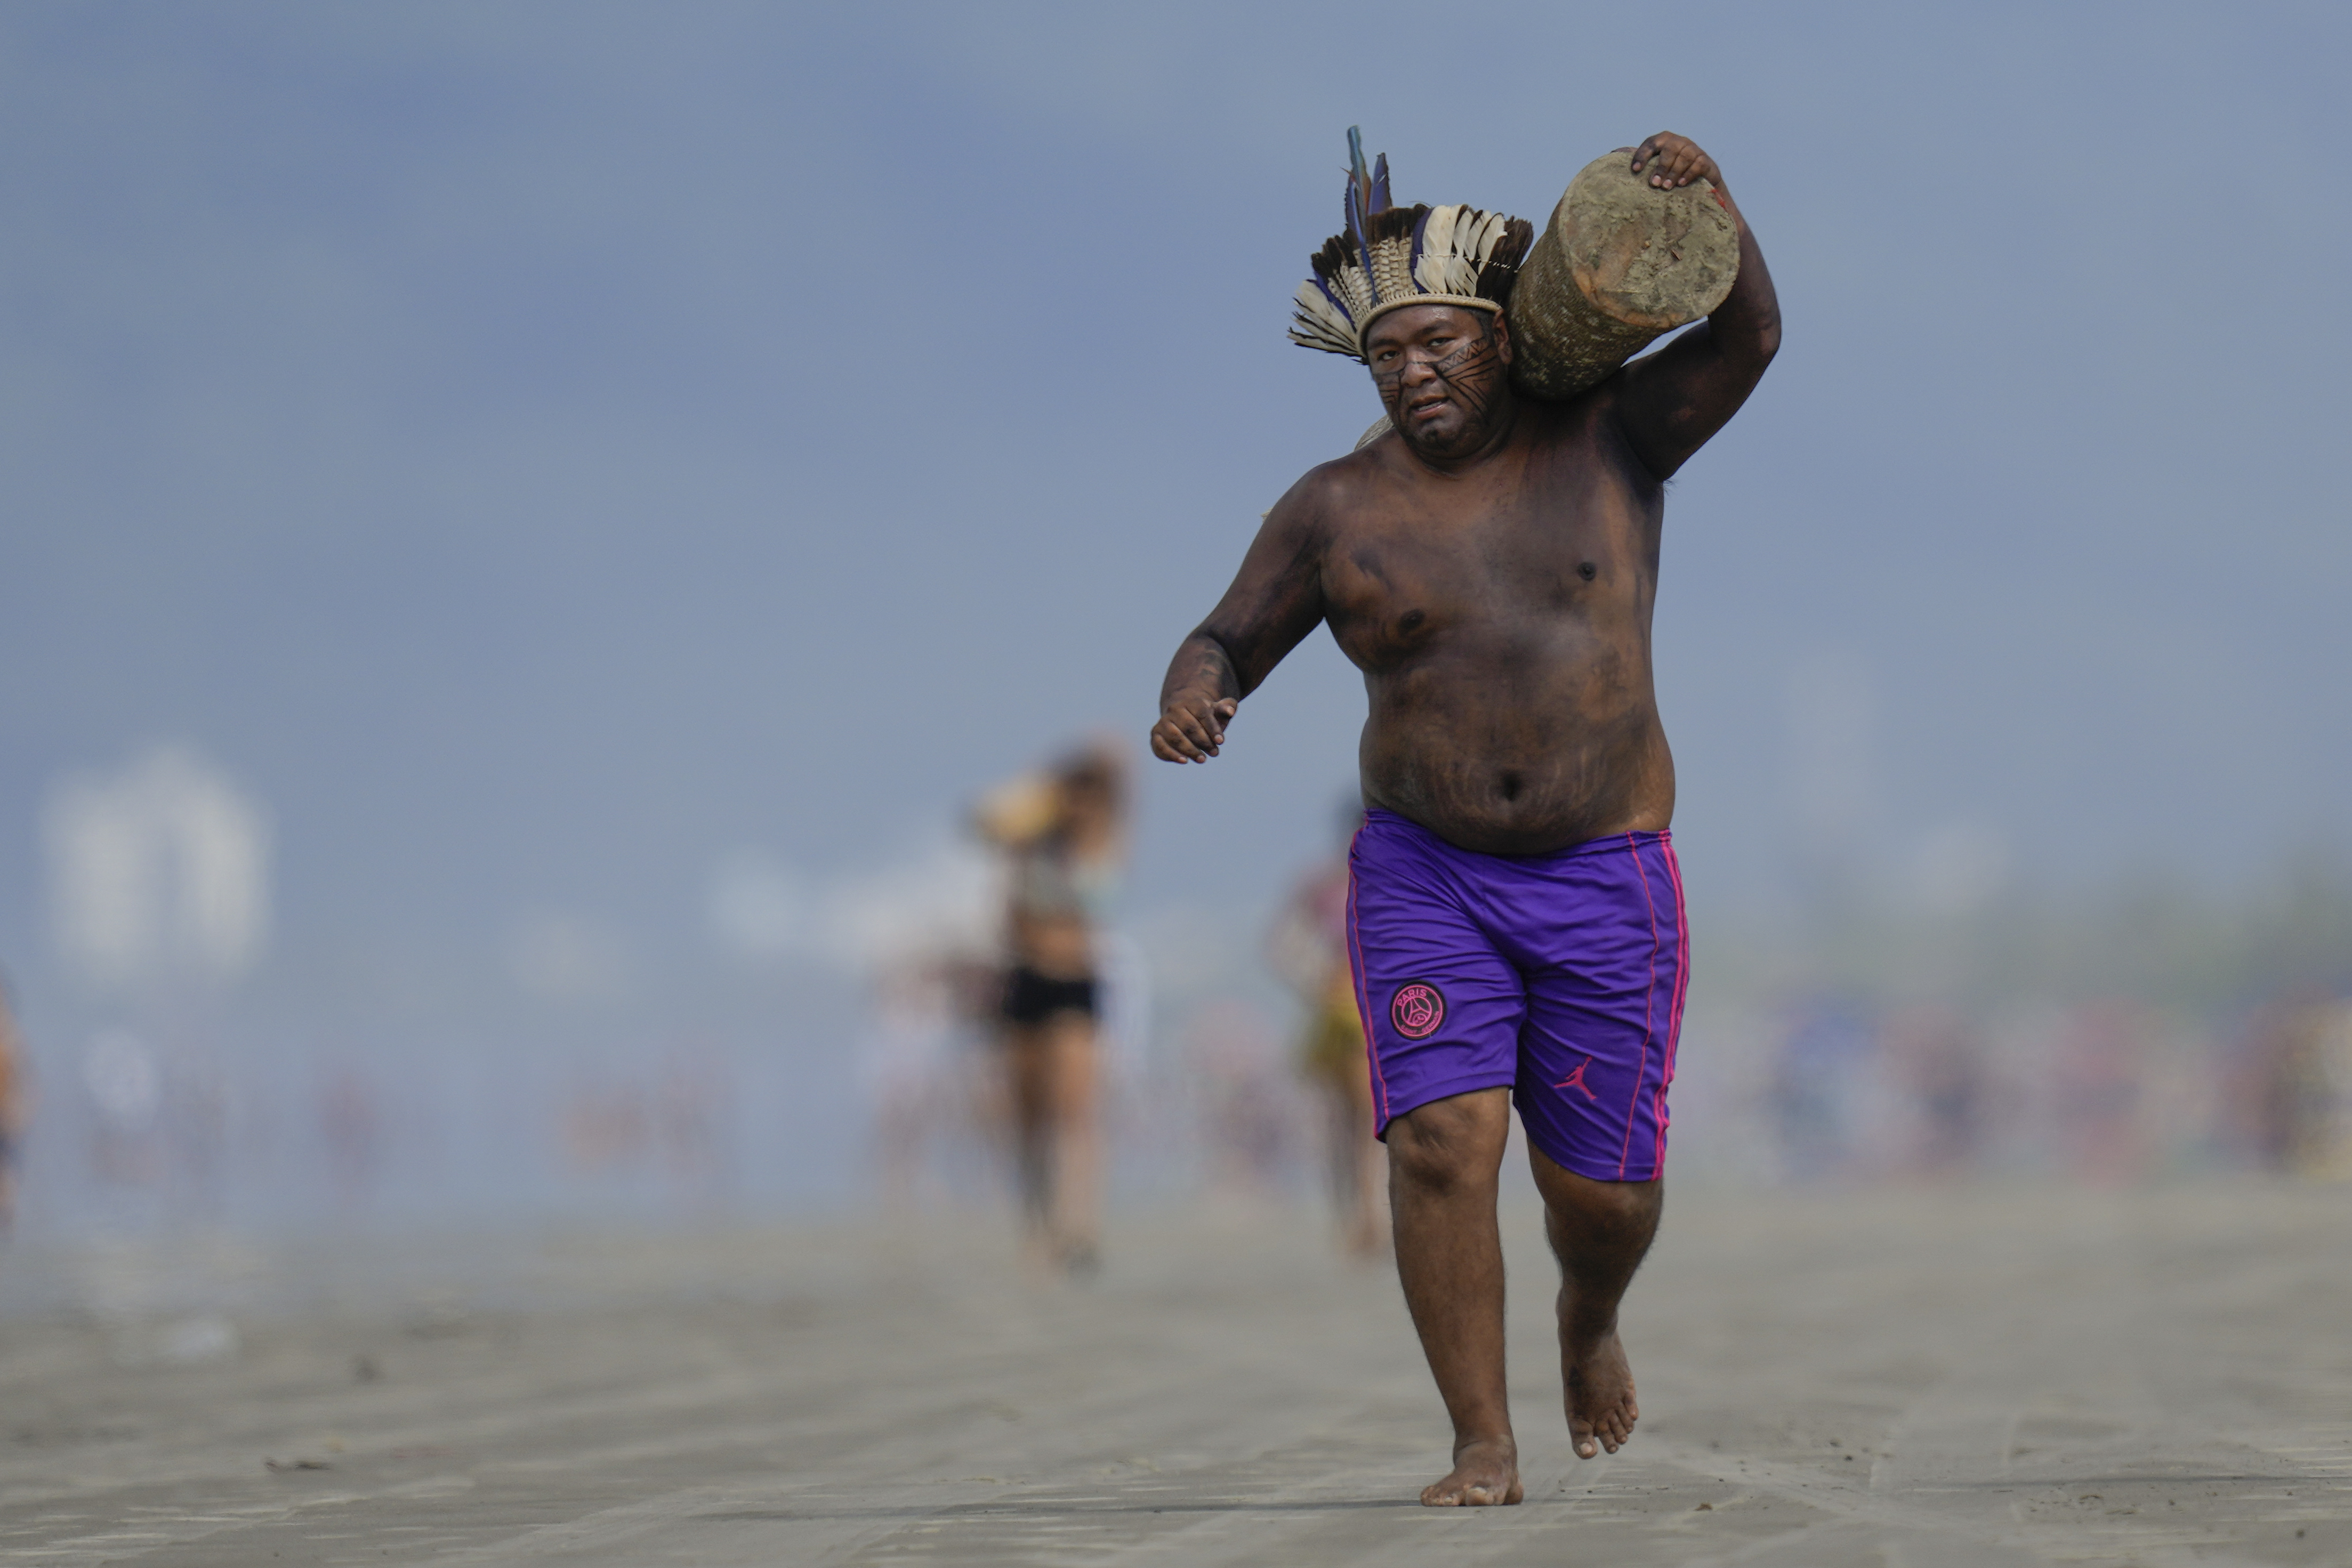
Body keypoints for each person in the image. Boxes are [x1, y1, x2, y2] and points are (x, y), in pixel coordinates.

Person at [1151, 131, 1778, 1505]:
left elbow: (1748, 340)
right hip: (1424, 872)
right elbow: (1227, 635)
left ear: (1505, 334)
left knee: (1602, 1196)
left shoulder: (1613, 434)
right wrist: (1196, 690)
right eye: (1387, 356)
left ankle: (1589, 1312)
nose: (1412, 373)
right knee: (1442, 1143)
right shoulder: (1337, 508)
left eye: (1438, 344)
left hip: (1606, 864)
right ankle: (1481, 1442)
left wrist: (1710, 199)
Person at [971, 741, 1127, 1276]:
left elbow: (1118, 753)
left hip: (1076, 981)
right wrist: (1042, 789)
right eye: (1071, 790)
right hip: (1022, 977)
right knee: (1029, 1119)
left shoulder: (1101, 836)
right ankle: (1036, 1227)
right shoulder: (1024, 841)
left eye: (1085, 791)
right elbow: (980, 820)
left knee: (1076, 1112)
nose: (1077, 801)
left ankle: (1078, 1225)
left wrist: (1085, 776)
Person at [1268, 801, 1385, 1255]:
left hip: (1365, 1005)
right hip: (1339, 1004)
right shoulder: (1326, 883)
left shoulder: (1384, 880)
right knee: (1347, 1120)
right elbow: (1282, 943)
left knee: (1361, 1118)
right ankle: (1357, 1214)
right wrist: (1311, 980)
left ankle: (1364, 1214)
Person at [0, 971, 29, 1233]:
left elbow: (24, 1081)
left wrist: (19, 1114)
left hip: (7, 1121)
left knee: (7, 1173)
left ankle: (7, 1227)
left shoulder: (13, 1040)